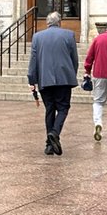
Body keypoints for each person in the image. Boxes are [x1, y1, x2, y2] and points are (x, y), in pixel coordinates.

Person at [26, 11, 79, 155]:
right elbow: (74, 59)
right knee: (63, 108)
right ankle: (54, 133)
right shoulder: (69, 35)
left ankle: (49, 145)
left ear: (47, 23)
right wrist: (71, 74)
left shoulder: (37, 37)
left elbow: (33, 61)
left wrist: (32, 79)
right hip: (64, 79)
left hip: (45, 79)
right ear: (59, 22)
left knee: (50, 109)